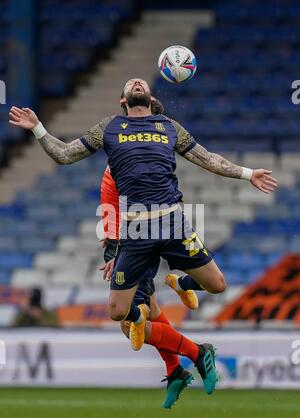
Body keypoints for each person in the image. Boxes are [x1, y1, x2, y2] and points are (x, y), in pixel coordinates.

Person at [9, 78, 278, 396]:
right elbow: (65, 155)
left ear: (150, 97)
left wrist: (248, 174)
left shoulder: (168, 126)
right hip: (136, 232)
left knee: (217, 285)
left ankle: (179, 286)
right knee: (117, 312)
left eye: (141, 82)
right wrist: (38, 128)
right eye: (129, 84)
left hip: (174, 224)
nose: (136, 82)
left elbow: (208, 159)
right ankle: (173, 345)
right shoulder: (109, 128)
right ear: (124, 100)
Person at [100, 97, 195, 408]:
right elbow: (113, 200)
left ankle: (196, 354)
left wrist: (117, 246)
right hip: (126, 234)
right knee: (150, 311)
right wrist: (111, 240)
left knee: (131, 322)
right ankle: (176, 369)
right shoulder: (126, 147)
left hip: (135, 236)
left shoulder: (135, 150)